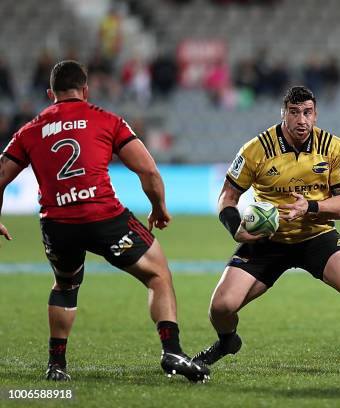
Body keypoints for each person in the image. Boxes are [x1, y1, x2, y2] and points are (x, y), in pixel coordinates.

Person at [191, 86, 340, 369]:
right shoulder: (256, 149)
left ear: (315, 115)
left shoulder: (334, 148)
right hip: (268, 241)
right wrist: (235, 228)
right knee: (221, 307)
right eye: (294, 113)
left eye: (307, 113)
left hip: (316, 236)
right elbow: (227, 197)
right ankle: (227, 341)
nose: (301, 120)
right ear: (284, 114)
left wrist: (310, 207)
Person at [0, 60, 209, 382]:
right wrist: (158, 208)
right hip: (104, 218)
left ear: (50, 94)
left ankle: (56, 365)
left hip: (57, 224)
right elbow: (148, 170)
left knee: (65, 285)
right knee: (158, 274)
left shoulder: (29, 131)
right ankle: (172, 351)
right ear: (85, 90)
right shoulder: (107, 120)